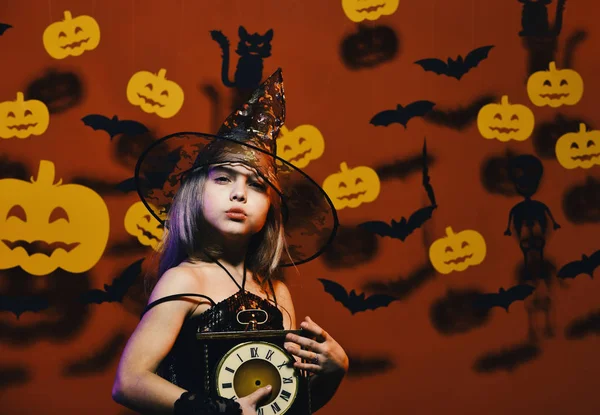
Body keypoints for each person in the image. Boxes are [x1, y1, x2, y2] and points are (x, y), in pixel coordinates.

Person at [112, 68, 348, 415]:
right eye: (223, 178)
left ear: (270, 207)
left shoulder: (275, 290)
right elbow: (129, 381)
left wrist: (334, 370)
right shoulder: (185, 280)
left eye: (256, 184)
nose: (239, 193)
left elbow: (288, 405)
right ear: (197, 193)